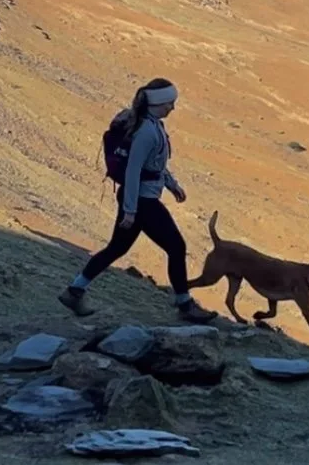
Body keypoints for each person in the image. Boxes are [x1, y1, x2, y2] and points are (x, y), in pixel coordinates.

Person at [59, 79, 216, 322]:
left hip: (140, 199)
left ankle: (74, 291)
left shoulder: (152, 126)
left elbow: (154, 164)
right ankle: (185, 305)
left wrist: (171, 184)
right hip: (143, 202)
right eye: (169, 103)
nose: (172, 108)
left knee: (117, 248)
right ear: (157, 104)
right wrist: (131, 210)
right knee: (177, 247)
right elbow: (133, 171)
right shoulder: (147, 132)